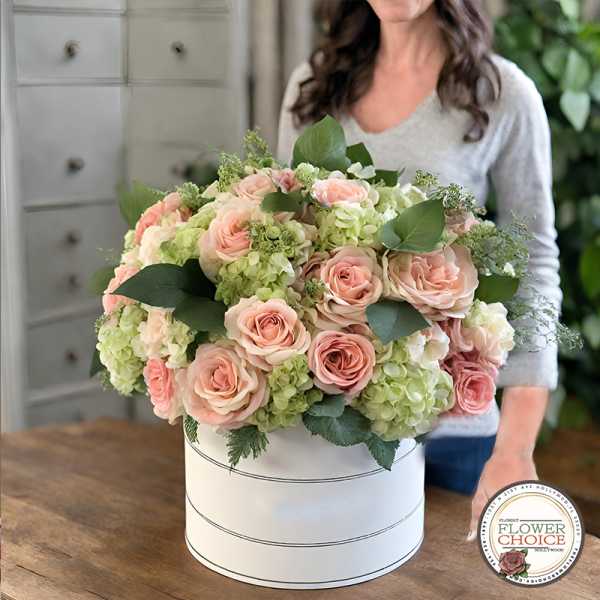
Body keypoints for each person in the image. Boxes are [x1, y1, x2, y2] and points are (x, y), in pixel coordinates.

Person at [277, 0, 561, 541]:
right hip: (327, 430)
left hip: (455, 438)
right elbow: (285, 245)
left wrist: (515, 449)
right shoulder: (313, 86)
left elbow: (534, 264)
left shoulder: (501, 94)